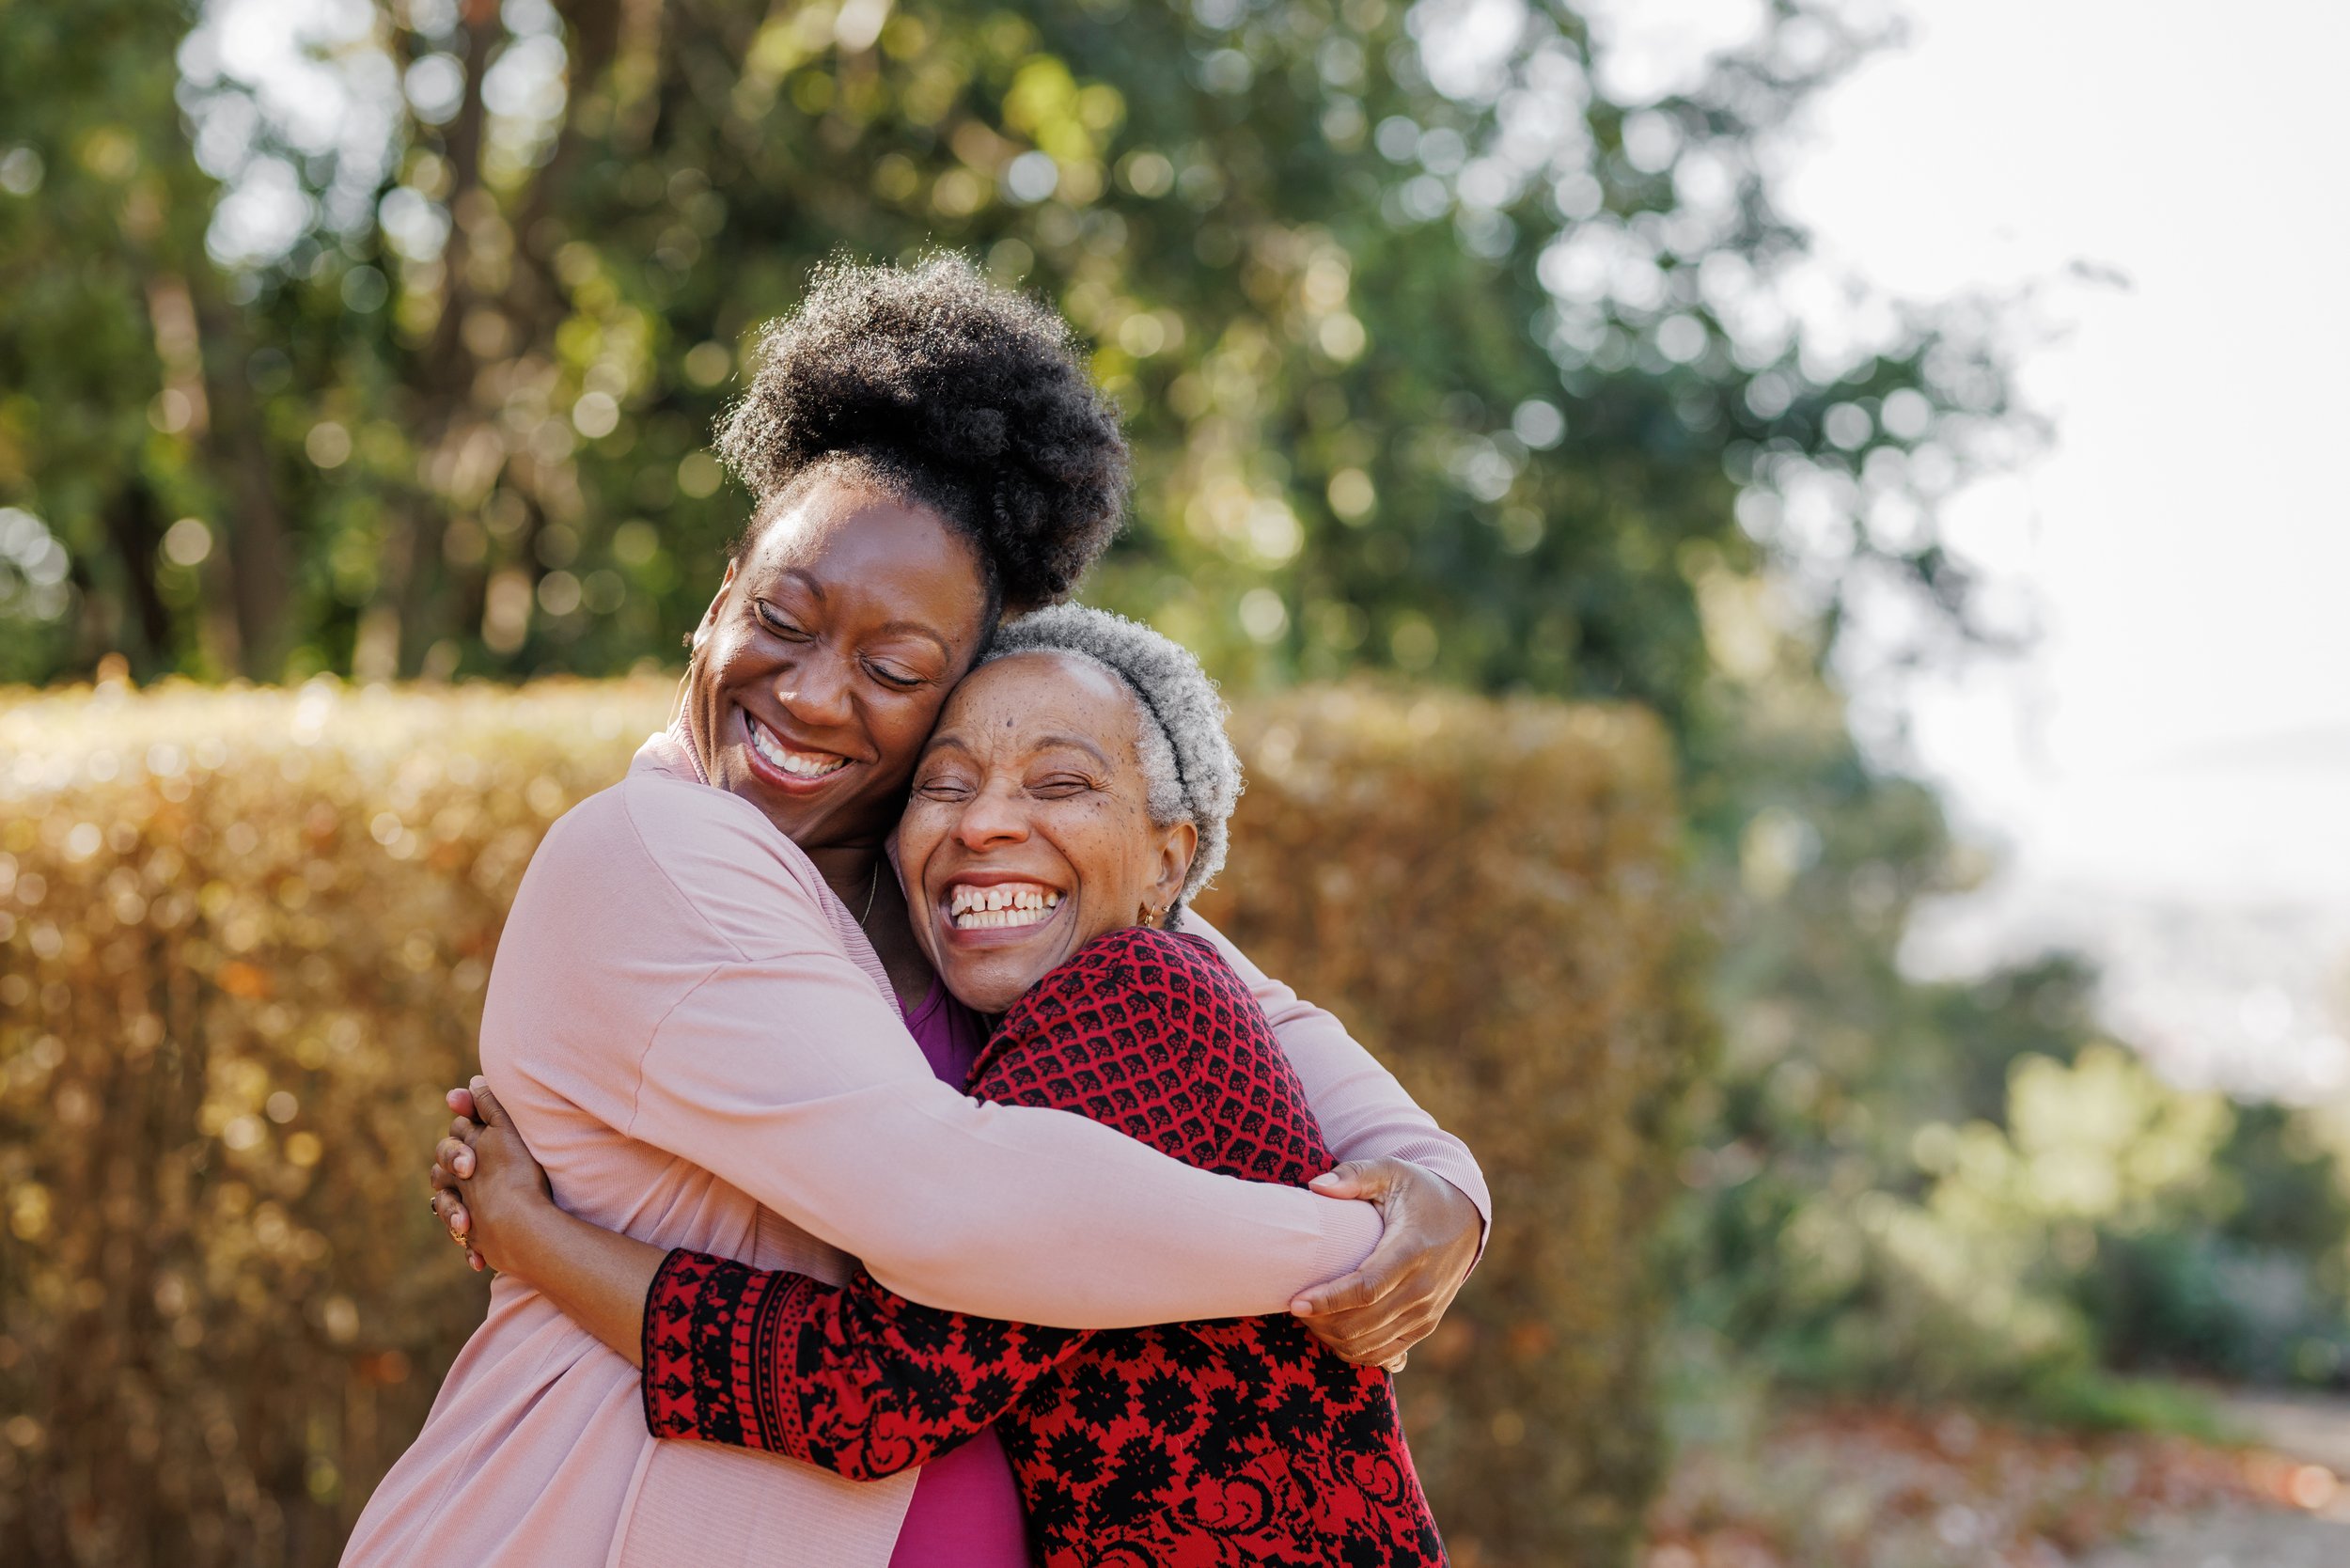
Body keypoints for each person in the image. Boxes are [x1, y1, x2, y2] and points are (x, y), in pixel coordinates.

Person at [348, 257, 1486, 1568]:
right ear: (721, 602)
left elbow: (1300, 1051)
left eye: (894, 670)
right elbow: (950, 1214)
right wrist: (1347, 1249)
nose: (818, 695)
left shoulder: (950, 885)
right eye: (783, 618)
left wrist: (1447, 1208)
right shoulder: (653, 854)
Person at [436, 605, 1446, 1567]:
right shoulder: (1023, 1005)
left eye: (1059, 787)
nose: (984, 826)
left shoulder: (1136, 991)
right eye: (945, 785)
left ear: (1167, 862)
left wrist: (532, 1239)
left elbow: (870, 1389)